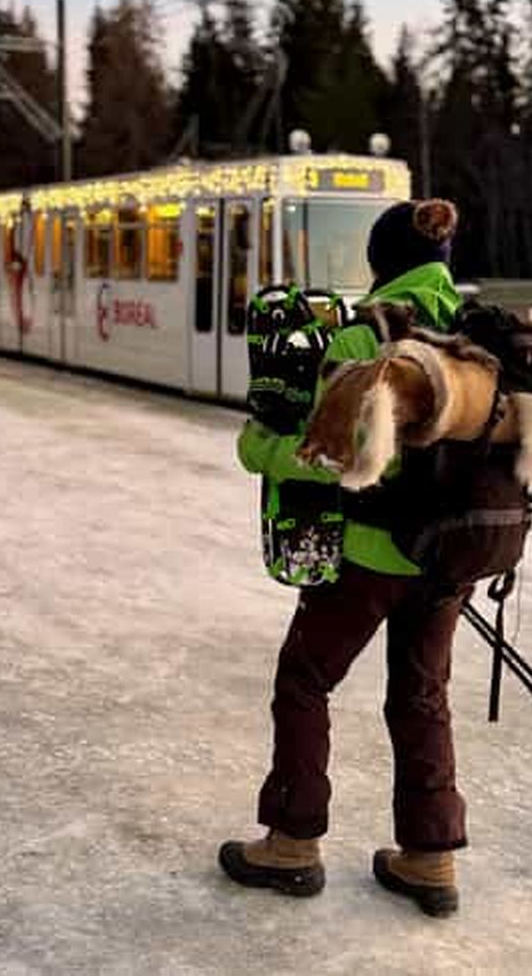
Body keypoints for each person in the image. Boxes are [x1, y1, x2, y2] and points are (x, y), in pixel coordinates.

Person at [219, 198, 470, 918]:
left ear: (381, 264)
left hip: (370, 551)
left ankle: (291, 844)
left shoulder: (367, 335)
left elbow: (335, 455)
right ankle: (429, 857)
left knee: (304, 679)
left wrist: (256, 447)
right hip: (447, 553)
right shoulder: (471, 331)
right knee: (421, 694)